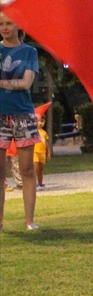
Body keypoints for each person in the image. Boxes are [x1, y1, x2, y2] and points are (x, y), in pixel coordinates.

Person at [0, 13, 40, 231]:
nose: (4, 28)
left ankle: (29, 221)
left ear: (18, 25)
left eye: (8, 23)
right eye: (0, 24)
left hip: (23, 115)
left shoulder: (29, 52)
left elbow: (26, 83)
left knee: (26, 169)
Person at [34, 124, 50, 188]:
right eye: (38, 121)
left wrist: (48, 153)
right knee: (35, 168)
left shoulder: (43, 132)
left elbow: (45, 143)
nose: (40, 123)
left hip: (42, 153)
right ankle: (34, 184)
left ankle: (40, 183)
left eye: (42, 121)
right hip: (35, 152)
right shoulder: (34, 131)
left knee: (41, 169)